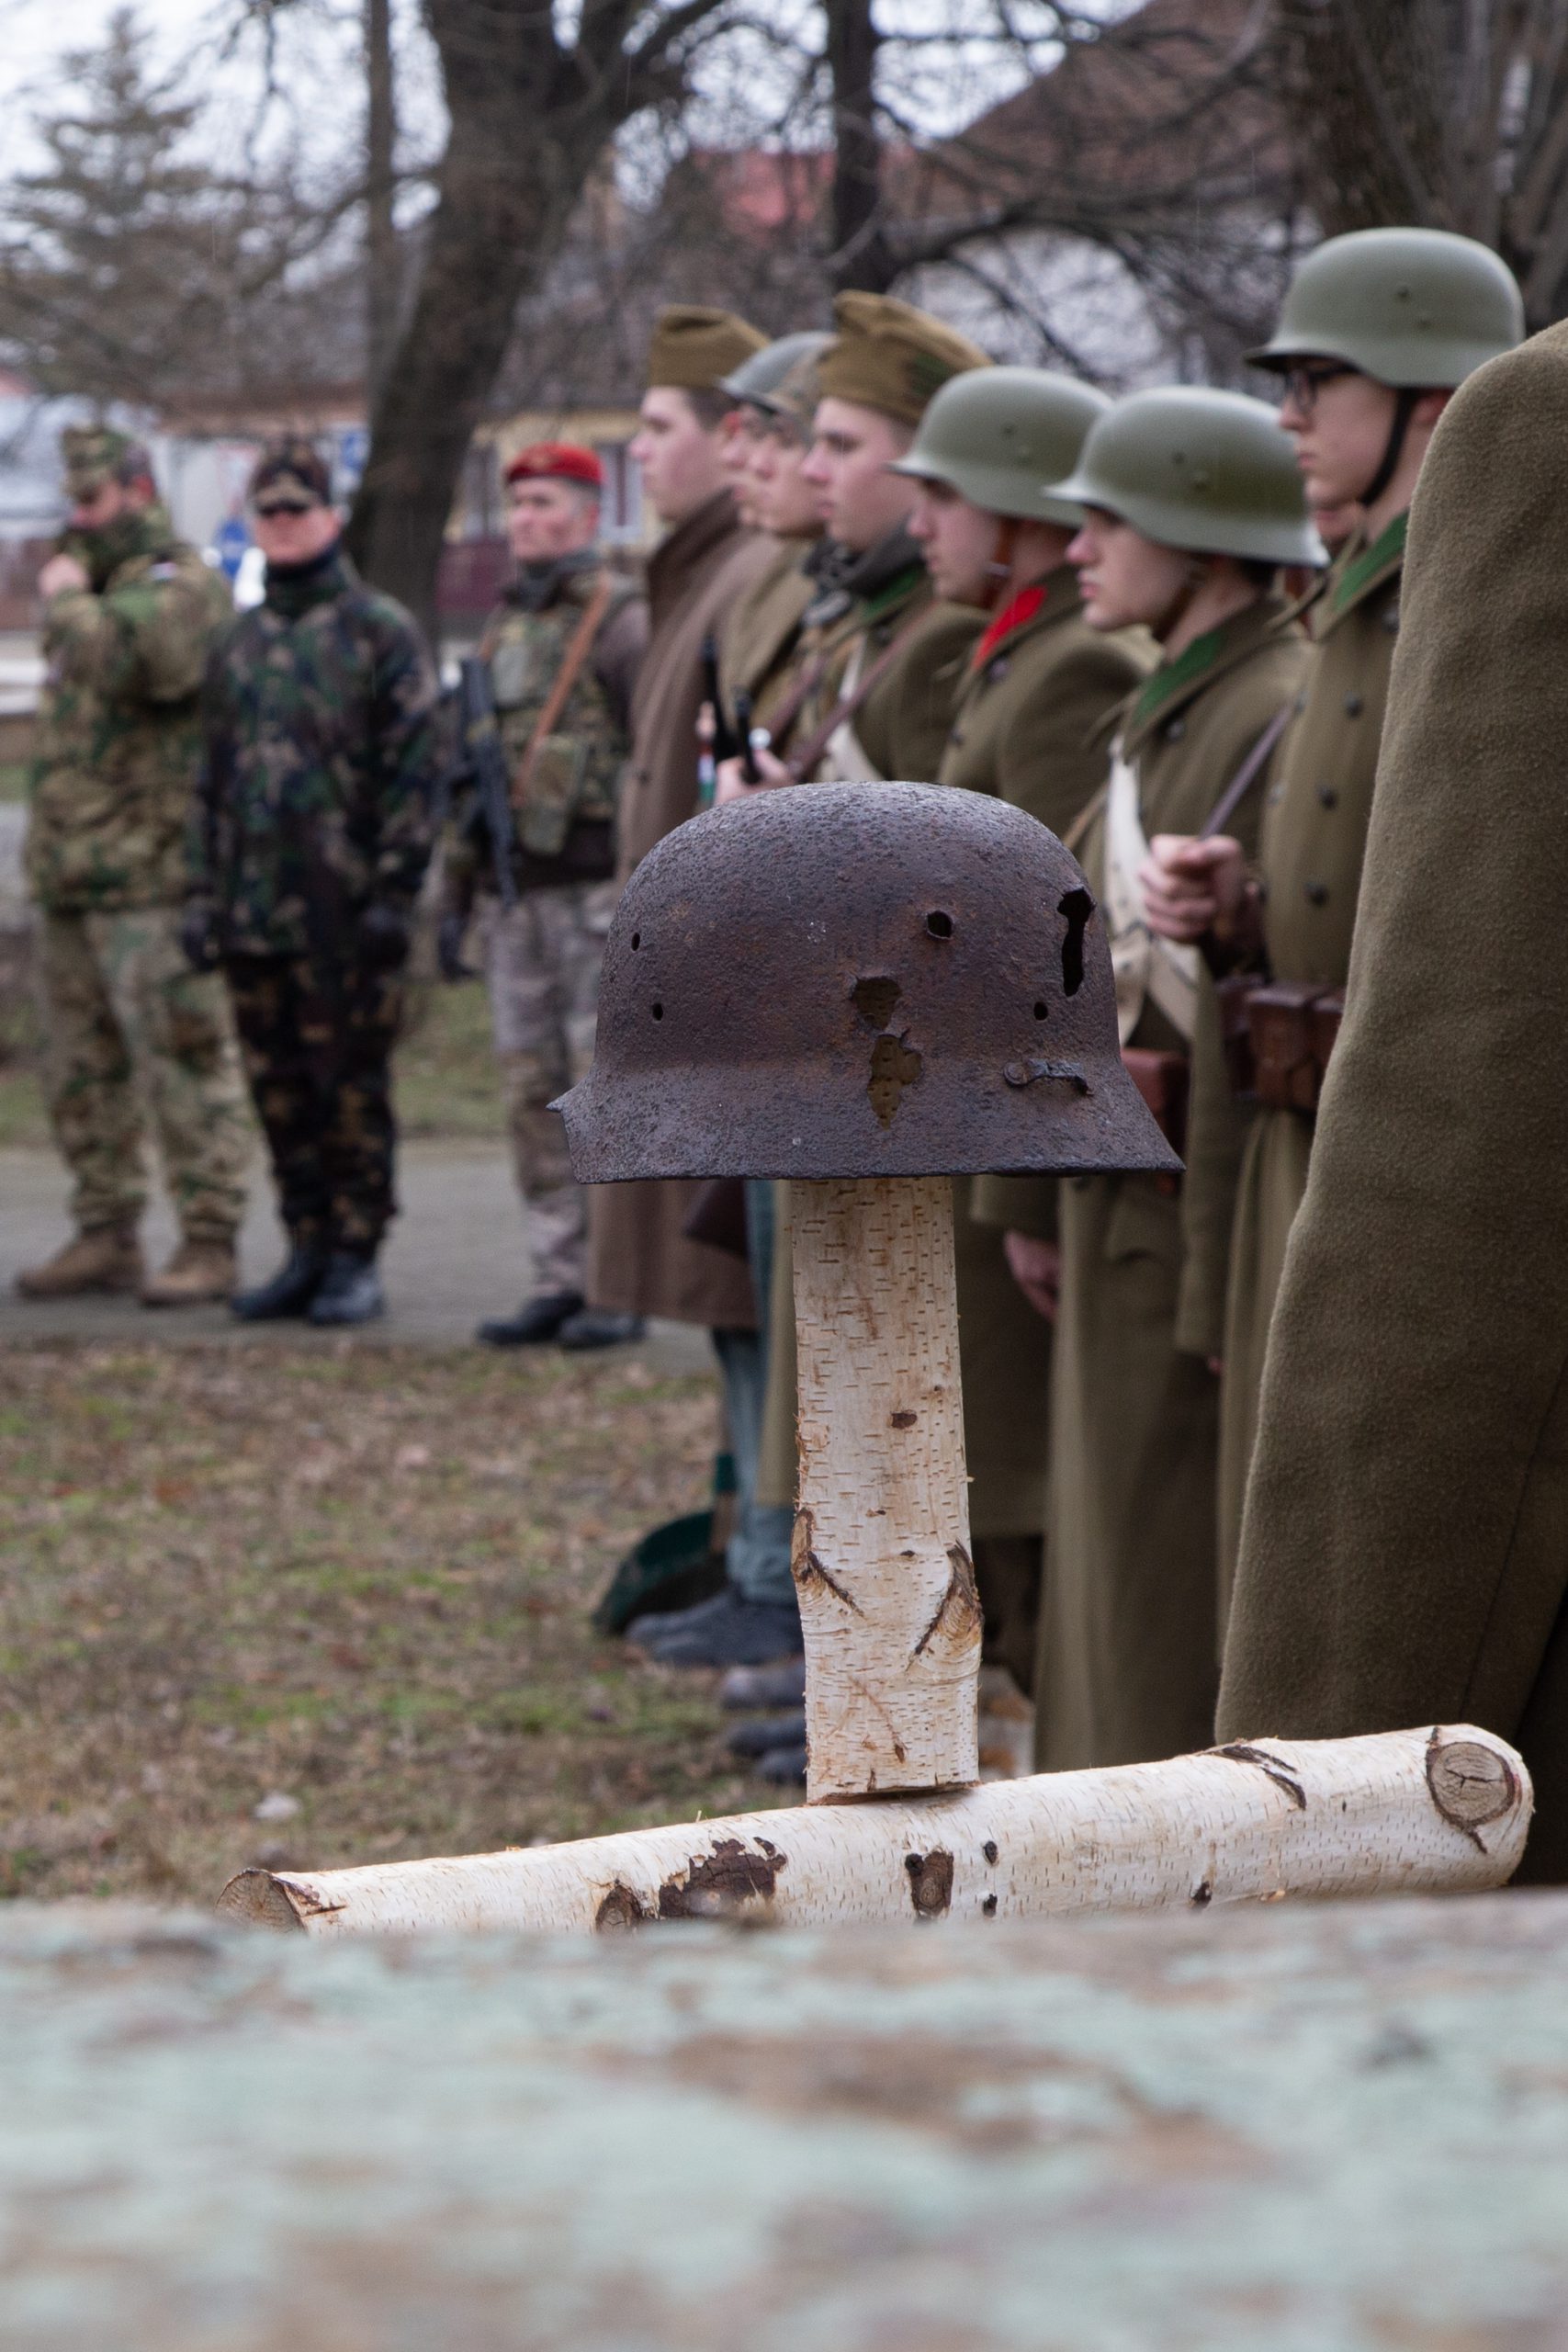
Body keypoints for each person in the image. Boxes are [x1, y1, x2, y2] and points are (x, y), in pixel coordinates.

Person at [1215, 314, 1568, 1883]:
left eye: (1317, 383)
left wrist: (1324, 1802)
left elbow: (1468, 1172)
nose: (1290, 417)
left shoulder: (1542, 431)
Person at [1138, 228, 1526, 1609]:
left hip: (1400, 1156)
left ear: (1431, 400)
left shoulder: (1472, 594)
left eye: (1318, 382)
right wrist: (1239, 901)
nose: (1288, 419)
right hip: (1291, 1127)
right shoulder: (1350, 600)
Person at [976, 387, 1316, 1770]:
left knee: (1162, 1597)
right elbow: (1061, 959)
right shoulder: (1165, 709)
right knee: (1112, 1589)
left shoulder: (1264, 709)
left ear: (1202, 537)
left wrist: (1212, 1281)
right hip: (1114, 1196)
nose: (1076, 549)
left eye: (1109, 521)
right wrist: (1024, 1191)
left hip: (1180, 1218)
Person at [892, 364, 1156, 1699]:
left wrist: (1026, 1179)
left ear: (1014, 514)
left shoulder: (1069, 667)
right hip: (975, 1103)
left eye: (943, 495)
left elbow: (1052, 947)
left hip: (1012, 1112)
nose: (917, 523)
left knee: (1025, 1486)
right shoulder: (1009, 651)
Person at [581, 304, 794, 1666]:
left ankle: (775, 1575)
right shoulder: (701, 575)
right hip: (696, 999)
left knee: (758, 1302)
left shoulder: (742, 577)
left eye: (661, 427)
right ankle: (753, 1555)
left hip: (738, 1009)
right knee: (733, 1302)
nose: (642, 451)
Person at [187, 439, 441, 1328]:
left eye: (299, 509)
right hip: (252, 917)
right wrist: (200, 897)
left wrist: (394, 894)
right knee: (279, 1093)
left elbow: (415, 772)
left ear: (331, 517)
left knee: (348, 1090)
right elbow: (208, 781)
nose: (285, 524)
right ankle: (303, 1245)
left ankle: (355, 1252)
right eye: (270, 512)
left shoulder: (378, 631)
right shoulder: (237, 643)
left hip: (345, 917)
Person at [17, 426, 251, 1307]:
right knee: (79, 1071)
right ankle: (105, 1231)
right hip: (72, 878)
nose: (80, 518)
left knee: (182, 1063)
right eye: (72, 501)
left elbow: (141, 660)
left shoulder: (179, 584)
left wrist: (66, 605)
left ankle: (209, 1238)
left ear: (138, 491)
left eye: (93, 499)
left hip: (152, 878)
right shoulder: (96, 588)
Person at [441, 440, 649, 1351]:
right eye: (517, 504)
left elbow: (653, 756)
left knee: (601, 1088)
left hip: (596, 895)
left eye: (545, 504)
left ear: (587, 516)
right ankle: (559, 1274)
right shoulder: (502, 625)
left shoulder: (620, 620)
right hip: (515, 895)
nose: (526, 520)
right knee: (530, 1089)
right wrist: (459, 892)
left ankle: (617, 1278)